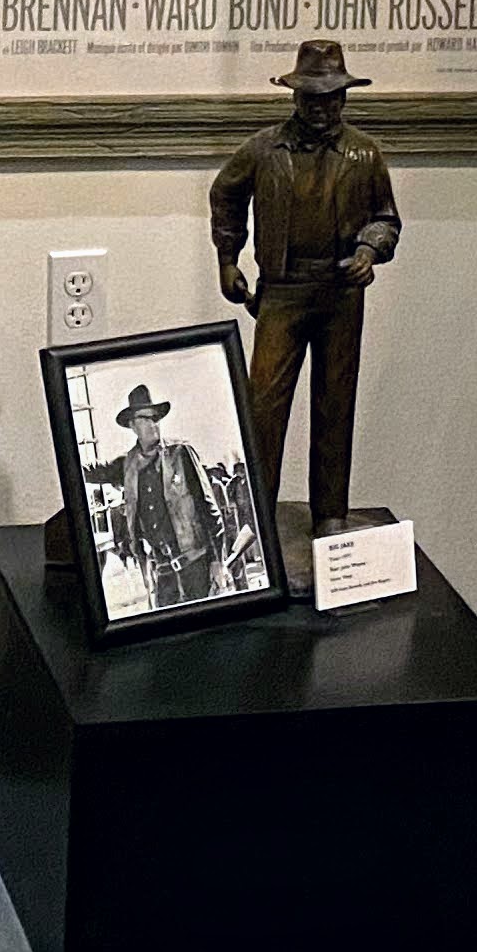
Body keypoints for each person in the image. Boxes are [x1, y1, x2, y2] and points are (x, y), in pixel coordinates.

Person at [210, 38, 401, 534]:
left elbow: (385, 219)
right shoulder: (263, 150)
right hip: (281, 292)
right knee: (263, 406)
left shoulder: (364, 153)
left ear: (344, 98)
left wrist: (368, 251)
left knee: (335, 403)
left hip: (341, 294)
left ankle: (330, 514)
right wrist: (228, 259)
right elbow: (225, 195)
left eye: (331, 97)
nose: (321, 107)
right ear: (295, 95)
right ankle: (257, 513)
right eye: (312, 96)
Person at [82, 382, 232, 610]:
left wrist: (218, 561)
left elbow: (209, 509)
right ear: (133, 425)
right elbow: (91, 472)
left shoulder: (180, 454)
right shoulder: (127, 466)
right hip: (163, 575)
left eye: (156, 418)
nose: (154, 424)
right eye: (146, 418)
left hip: (197, 567)